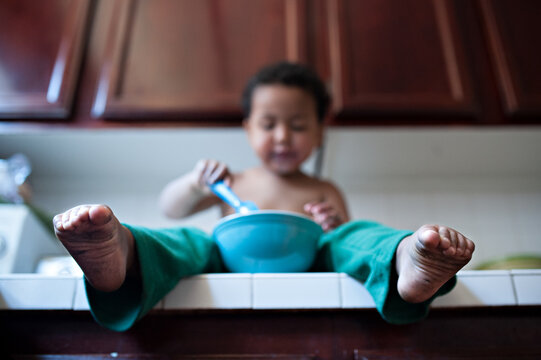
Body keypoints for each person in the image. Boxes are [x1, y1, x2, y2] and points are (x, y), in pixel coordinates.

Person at [53, 62, 475, 332]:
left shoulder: (323, 188)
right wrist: (196, 183)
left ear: (319, 133)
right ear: (248, 129)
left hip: (308, 261)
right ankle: (123, 255)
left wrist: (334, 224)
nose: (283, 136)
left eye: (298, 124)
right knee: (192, 239)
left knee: (350, 237)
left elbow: (348, 245)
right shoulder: (230, 180)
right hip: (225, 258)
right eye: (269, 123)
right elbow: (172, 206)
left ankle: (405, 258)